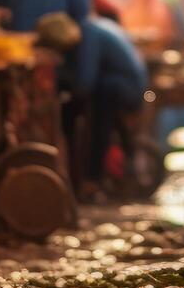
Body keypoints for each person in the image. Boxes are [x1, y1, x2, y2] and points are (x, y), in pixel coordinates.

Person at [36, 11, 148, 194]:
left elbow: (85, 82)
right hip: (125, 84)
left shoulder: (89, 36)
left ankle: (92, 179)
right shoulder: (90, 27)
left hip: (123, 88)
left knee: (98, 120)